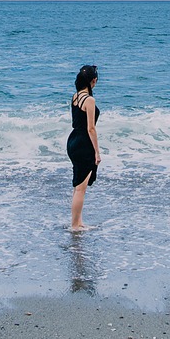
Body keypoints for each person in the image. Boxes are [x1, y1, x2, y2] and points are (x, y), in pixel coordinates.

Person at [67, 64, 101, 231]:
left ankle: (78, 222)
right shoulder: (89, 100)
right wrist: (97, 152)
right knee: (81, 187)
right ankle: (75, 226)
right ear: (92, 81)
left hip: (73, 140)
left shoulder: (75, 96)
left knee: (77, 185)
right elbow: (91, 128)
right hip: (83, 142)